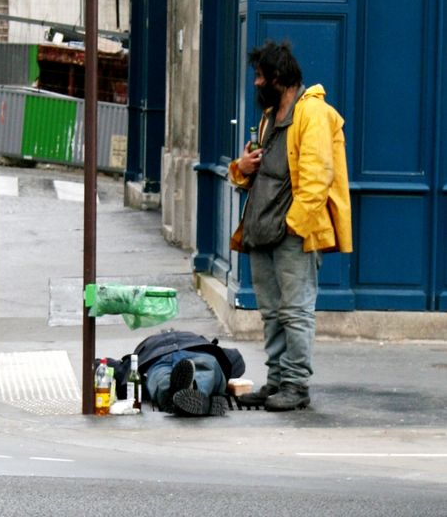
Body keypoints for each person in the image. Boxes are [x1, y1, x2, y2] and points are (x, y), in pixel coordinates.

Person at [228, 40, 352, 412]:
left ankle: (296, 385)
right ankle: (278, 380)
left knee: (296, 311)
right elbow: (263, 172)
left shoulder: (312, 113)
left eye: (260, 76)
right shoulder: (270, 116)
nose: (256, 84)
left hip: (291, 233)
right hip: (262, 231)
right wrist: (242, 168)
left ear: (278, 78)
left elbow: (318, 177)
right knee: (272, 311)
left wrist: (294, 226)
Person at [119, 328, 245, 417]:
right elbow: (236, 359)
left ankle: (171, 395)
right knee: (206, 370)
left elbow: (119, 369)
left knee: (160, 378)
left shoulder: (148, 344)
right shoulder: (195, 337)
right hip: (198, 349)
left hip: (156, 356)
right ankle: (197, 389)